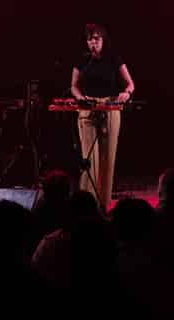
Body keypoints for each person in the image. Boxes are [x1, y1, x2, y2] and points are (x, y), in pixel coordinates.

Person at [70, 23, 135, 209]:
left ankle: (103, 205)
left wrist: (126, 94)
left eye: (96, 39)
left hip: (110, 108)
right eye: (90, 39)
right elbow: (74, 85)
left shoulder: (114, 58)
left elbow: (130, 84)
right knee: (89, 160)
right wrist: (80, 98)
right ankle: (86, 206)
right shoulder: (82, 60)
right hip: (88, 107)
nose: (93, 43)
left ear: (103, 40)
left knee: (108, 158)